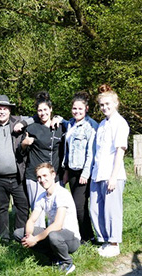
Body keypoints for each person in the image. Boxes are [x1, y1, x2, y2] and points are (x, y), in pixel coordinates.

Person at [0, 94, 32, 243]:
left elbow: (37, 116)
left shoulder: (18, 123)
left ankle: (19, 235)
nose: (2, 111)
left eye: (5, 108)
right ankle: (4, 236)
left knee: (23, 206)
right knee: (1, 208)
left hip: (18, 177)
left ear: (10, 110)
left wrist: (23, 122)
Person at [13, 163, 80, 275]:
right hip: (53, 235)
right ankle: (54, 257)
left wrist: (36, 239)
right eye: (39, 177)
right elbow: (31, 220)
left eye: (45, 175)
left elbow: (58, 225)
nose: (42, 179)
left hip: (70, 238)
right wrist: (29, 236)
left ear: (53, 175)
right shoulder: (42, 196)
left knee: (53, 235)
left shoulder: (61, 193)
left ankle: (67, 262)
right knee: (19, 233)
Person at [90, 84, 129, 257]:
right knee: (96, 209)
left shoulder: (120, 123)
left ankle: (114, 243)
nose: (105, 107)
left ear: (116, 103)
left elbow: (120, 151)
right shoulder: (102, 124)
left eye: (108, 104)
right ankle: (105, 239)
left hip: (113, 174)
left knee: (112, 209)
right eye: (102, 105)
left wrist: (113, 177)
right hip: (98, 173)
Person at [21, 91, 65, 227]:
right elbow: (21, 152)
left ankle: (55, 234)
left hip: (55, 175)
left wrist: (60, 118)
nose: (43, 113)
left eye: (45, 109)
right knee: (37, 209)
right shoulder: (31, 128)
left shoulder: (60, 127)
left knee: (57, 207)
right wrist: (24, 144)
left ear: (51, 110)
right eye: (39, 110)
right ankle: (38, 238)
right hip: (35, 176)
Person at [62, 91, 98, 243]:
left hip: (83, 172)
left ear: (86, 109)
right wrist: (65, 170)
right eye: (74, 109)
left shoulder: (91, 126)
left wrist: (85, 173)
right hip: (71, 170)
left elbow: (91, 152)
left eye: (80, 109)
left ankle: (88, 236)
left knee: (79, 206)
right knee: (76, 205)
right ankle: (82, 234)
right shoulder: (70, 123)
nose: (76, 111)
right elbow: (68, 149)